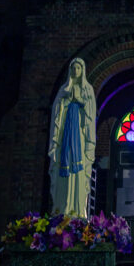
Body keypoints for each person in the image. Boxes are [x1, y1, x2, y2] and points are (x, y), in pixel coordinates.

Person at [48, 58, 96, 218]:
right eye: (73, 68)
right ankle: (62, 208)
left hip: (80, 137)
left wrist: (80, 101)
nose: (76, 71)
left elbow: (90, 113)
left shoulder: (87, 89)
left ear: (82, 71)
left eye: (78, 68)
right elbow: (56, 112)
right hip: (65, 135)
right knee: (64, 169)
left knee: (79, 172)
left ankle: (78, 209)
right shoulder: (64, 89)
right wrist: (66, 100)